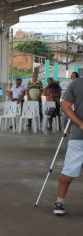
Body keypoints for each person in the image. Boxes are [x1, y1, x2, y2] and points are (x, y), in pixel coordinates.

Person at [53, 74, 83, 216]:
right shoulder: (77, 83)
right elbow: (65, 107)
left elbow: (65, 107)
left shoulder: (76, 83)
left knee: (69, 170)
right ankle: (59, 201)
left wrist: (79, 123)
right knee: (69, 170)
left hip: (78, 134)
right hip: (79, 137)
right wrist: (80, 123)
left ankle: (60, 202)